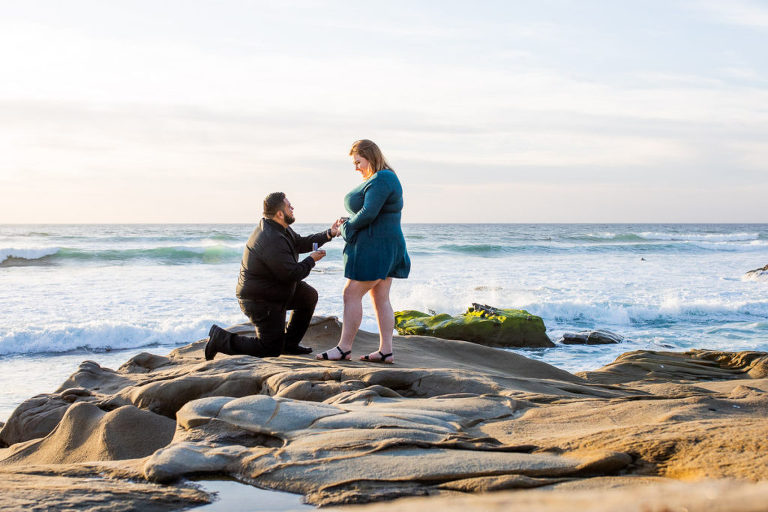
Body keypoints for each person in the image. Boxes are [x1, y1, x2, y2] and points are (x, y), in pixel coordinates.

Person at [206, 192, 342, 360]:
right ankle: (220, 339)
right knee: (269, 349)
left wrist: (329, 233)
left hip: (275, 291)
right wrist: (312, 260)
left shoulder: (279, 228)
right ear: (279, 213)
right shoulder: (271, 238)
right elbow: (292, 274)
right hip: (260, 300)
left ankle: (290, 345)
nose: (292, 208)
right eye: (289, 206)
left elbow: (300, 243)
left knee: (308, 296)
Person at [316, 139, 410, 364]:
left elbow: (368, 213)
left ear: (370, 156)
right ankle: (386, 351)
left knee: (351, 293)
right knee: (380, 297)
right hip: (386, 245)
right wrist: (350, 221)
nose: (356, 167)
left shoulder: (383, 178)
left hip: (377, 248)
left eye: (358, 162)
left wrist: (346, 227)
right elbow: (373, 213)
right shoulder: (382, 178)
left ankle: (344, 348)